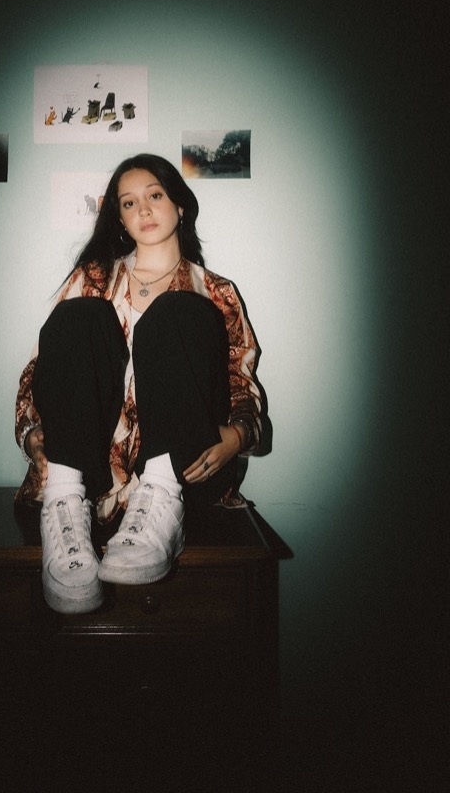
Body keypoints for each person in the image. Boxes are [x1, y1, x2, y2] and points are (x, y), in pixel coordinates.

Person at [15, 153, 269, 614]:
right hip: (92, 470)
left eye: (155, 195)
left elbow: (242, 384)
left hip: (187, 471)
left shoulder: (216, 292)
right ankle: (64, 505)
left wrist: (236, 437)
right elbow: (40, 370)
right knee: (78, 315)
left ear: (180, 205)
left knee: (179, 309)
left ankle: (160, 500)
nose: (144, 210)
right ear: (119, 218)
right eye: (129, 203)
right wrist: (32, 434)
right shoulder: (93, 279)